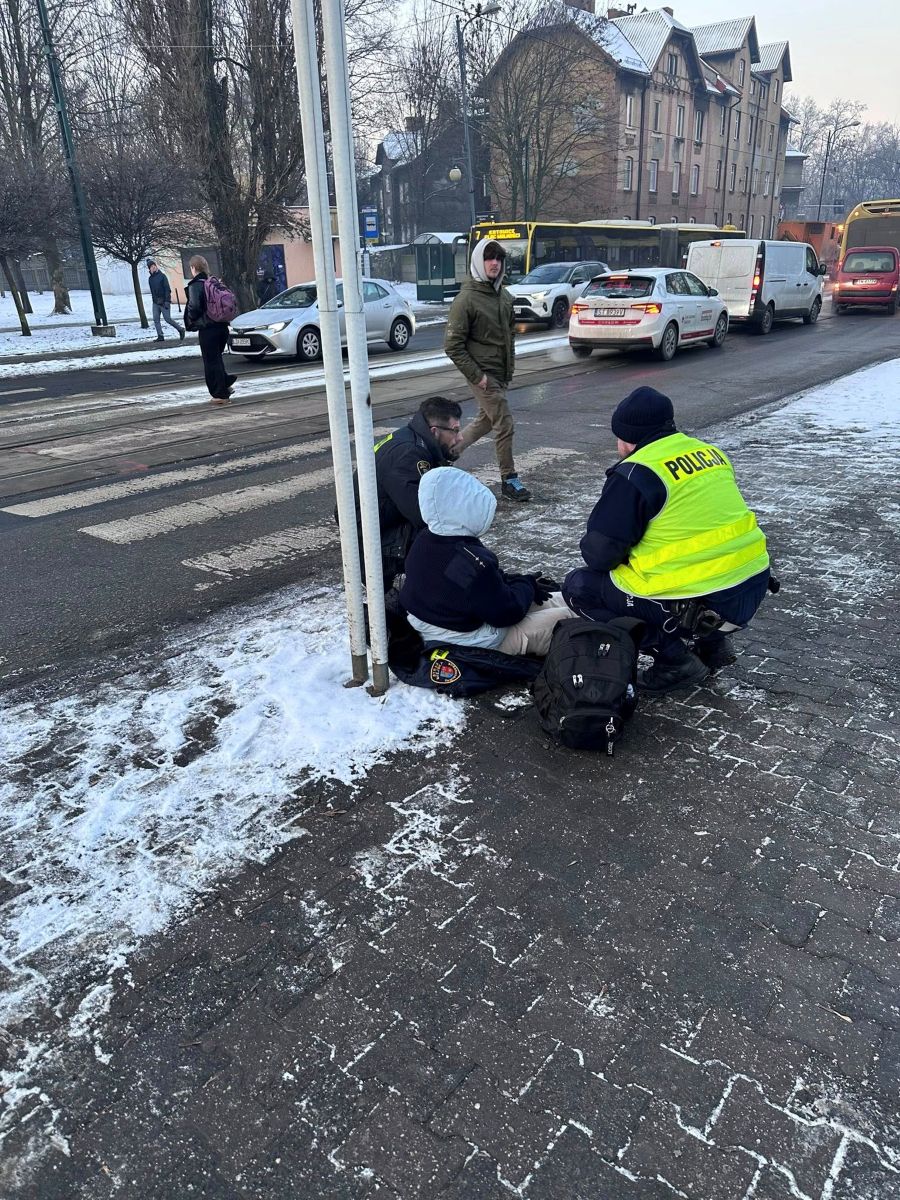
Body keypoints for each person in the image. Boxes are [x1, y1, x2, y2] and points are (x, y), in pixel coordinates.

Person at [563, 387, 771, 694]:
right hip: (751, 587)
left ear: (627, 438)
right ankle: (713, 647)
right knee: (699, 568)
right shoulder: (709, 453)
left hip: (704, 603)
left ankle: (674, 660)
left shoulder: (636, 472)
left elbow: (599, 555)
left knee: (579, 586)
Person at [400, 467, 574, 656]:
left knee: (566, 599)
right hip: (470, 640)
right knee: (567, 616)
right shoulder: (470, 562)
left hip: (430, 625)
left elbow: (484, 591)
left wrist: (522, 585)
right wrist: (526, 586)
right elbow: (506, 613)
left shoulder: (425, 538)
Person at [444, 238, 531, 502]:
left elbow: (510, 337)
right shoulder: (466, 299)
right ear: (478, 261)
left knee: (485, 421)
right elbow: (452, 345)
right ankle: (509, 480)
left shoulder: (504, 296)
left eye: (499, 258)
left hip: (500, 373)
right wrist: (477, 376)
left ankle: (447, 453)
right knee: (504, 424)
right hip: (483, 375)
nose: (494, 263)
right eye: (489, 258)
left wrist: (509, 369)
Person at [369, 396, 464, 591]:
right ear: (435, 431)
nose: (460, 437)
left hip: (380, 517)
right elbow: (422, 513)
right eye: (455, 430)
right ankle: (420, 597)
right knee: (440, 538)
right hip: (369, 534)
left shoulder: (414, 438)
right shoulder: (410, 453)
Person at [184, 255, 236, 405]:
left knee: (211, 361)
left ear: (193, 268)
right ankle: (225, 382)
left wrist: (192, 319)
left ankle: (220, 394)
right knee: (216, 359)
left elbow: (194, 307)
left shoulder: (196, 284)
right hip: (222, 327)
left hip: (208, 328)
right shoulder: (213, 281)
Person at [147, 260, 185, 342]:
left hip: (164, 301)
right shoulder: (150, 279)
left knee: (167, 319)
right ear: (149, 269)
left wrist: (167, 301)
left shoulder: (162, 276)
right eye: (151, 267)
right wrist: (154, 301)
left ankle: (181, 329)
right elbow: (152, 291)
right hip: (155, 302)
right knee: (155, 319)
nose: (153, 267)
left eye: (154, 266)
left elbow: (167, 289)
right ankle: (160, 336)